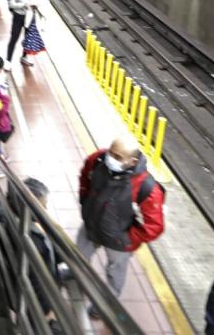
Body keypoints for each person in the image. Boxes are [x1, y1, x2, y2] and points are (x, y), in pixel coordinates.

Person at [77, 134, 165, 319]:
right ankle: (73, 271)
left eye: (118, 157)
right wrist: (85, 199)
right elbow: (85, 174)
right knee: (79, 252)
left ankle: (106, 303)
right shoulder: (99, 160)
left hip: (118, 240)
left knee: (115, 272)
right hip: (92, 225)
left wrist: (127, 239)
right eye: (111, 152)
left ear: (132, 161)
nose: (111, 158)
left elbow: (154, 226)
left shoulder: (147, 188)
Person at [0, 177, 70, 335]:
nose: (46, 209)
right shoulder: (32, 240)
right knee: (36, 324)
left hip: (12, 282)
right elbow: (36, 281)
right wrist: (46, 308)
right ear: (25, 207)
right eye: (42, 206)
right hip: (30, 297)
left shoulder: (5, 210)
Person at [6, 0, 42, 68]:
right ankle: (8, 60)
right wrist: (24, 4)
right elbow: (11, 4)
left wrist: (36, 4)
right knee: (14, 38)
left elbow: (39, 0)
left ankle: (24, 57)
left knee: (28, 39)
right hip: (18, 16)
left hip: (29, 17)